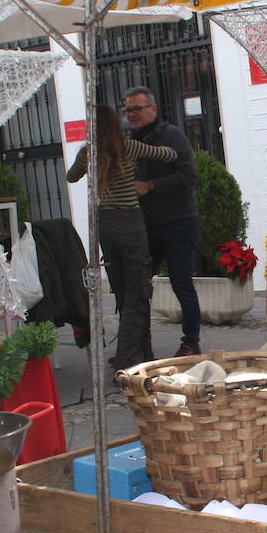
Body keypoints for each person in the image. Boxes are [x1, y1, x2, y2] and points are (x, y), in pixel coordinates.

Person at [67, 104, 178, 369]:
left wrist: (85, 160)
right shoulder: (128, 147)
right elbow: (169, 154)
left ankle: (144, 354)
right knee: (138, 292)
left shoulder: (88, 153)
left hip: (105, 224)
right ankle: (128, 360)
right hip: (130, 222)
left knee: (123, 291)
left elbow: (71, 177)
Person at [125, 86, 203, 357]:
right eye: (128, 110)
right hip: (145, 227)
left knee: (181, 284)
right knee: (137, 286)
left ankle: (191, 342)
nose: (132, 114)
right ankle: (134, 345)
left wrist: (151, 185)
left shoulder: (171, 136)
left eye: (138, 108)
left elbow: (188, 177)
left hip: (178, 223)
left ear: (153, 109)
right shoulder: (129, 142)